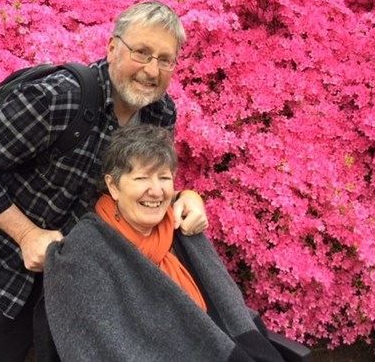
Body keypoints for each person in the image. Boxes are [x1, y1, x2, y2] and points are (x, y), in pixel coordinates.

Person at [0, 1, 208, 362]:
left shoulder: (159, 114)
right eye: (141, 52)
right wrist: (26, 235)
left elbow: (143, 183)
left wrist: (185, 196)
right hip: (2, 266)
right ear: (113, 48)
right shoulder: (57, 99)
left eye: (164, 59)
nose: (151, 70)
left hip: (76, 275)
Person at [43, 124, 285, 362]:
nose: (156, 191)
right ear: (113, 186)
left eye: (164, 177)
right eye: (141, 177)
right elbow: (99, 349)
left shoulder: (182, 229)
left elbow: (228, 310)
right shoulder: (81, 256)